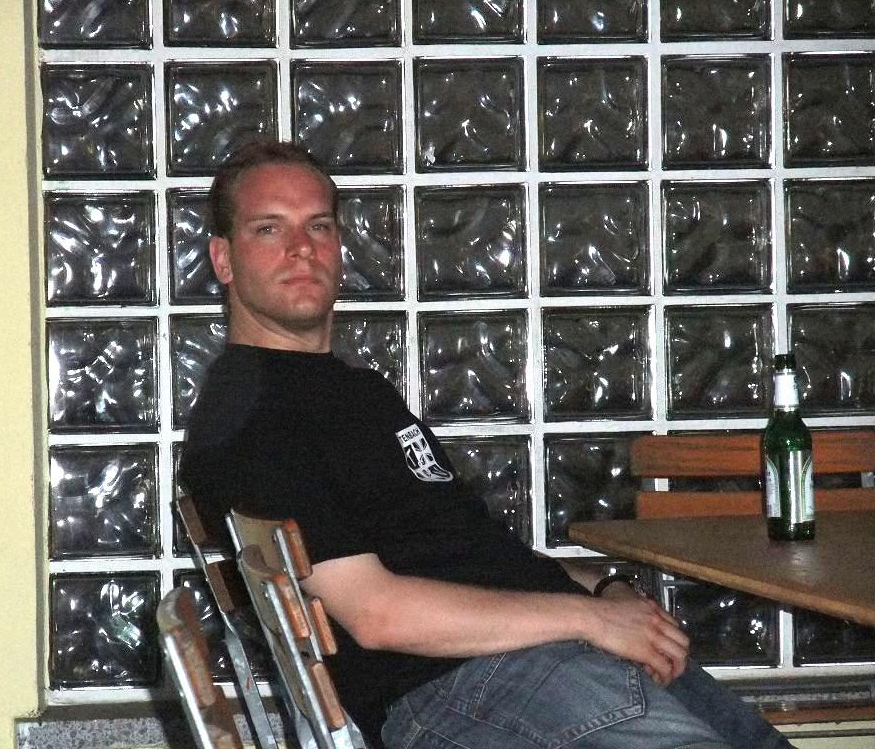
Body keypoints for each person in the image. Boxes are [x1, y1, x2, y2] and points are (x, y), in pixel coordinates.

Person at [178, 140, 794, 749]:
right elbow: (376, 615)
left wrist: (604, 587)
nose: (302, 247)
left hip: (532, 659)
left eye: (318, 225)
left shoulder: (348, 391)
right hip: (460, 688)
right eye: (268, 228)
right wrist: (592, 618)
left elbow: (469, 558)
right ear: (224, 260)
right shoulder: (254, 416)